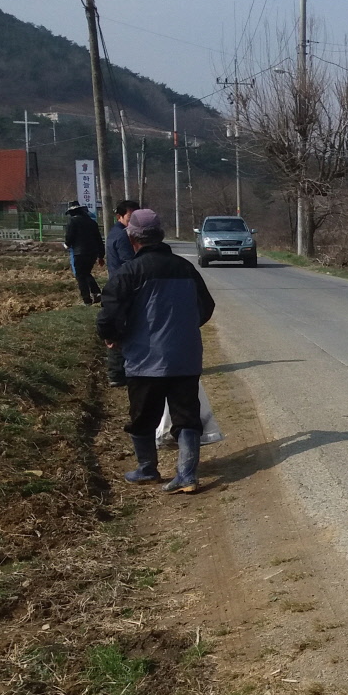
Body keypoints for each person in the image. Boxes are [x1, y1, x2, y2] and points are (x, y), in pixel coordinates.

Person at [97, 208, 216, 495]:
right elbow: (206, 307)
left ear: (132, 237)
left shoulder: (130, 271)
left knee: (143, 416)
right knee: (186, 416)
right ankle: (186, 475)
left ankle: (147, 469)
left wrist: (112, 337)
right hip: (185, 357)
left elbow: (108, 315)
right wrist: (184, 327)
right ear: (160, 235)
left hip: (145, 359)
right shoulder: (186, 269)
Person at [102, 200, 139, 387]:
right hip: (123, 287)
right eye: (130, 218)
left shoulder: (113, 233)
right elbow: (128, 263)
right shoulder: (123, 236)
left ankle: (118, 372)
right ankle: (117, 373)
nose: (133, 222)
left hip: (116, 285)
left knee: (119, 328)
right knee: (120, 330)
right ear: (119, 217)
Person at [62, 202, 104, 305]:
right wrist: (101, 255)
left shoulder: (73, 222)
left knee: (80, 276)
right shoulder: (91, 222)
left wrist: (66, 245)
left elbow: (69, 236)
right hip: (92, 252)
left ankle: (86, 299)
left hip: (79, 252)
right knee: (86, 273)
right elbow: (99, 239)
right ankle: (96, 292)